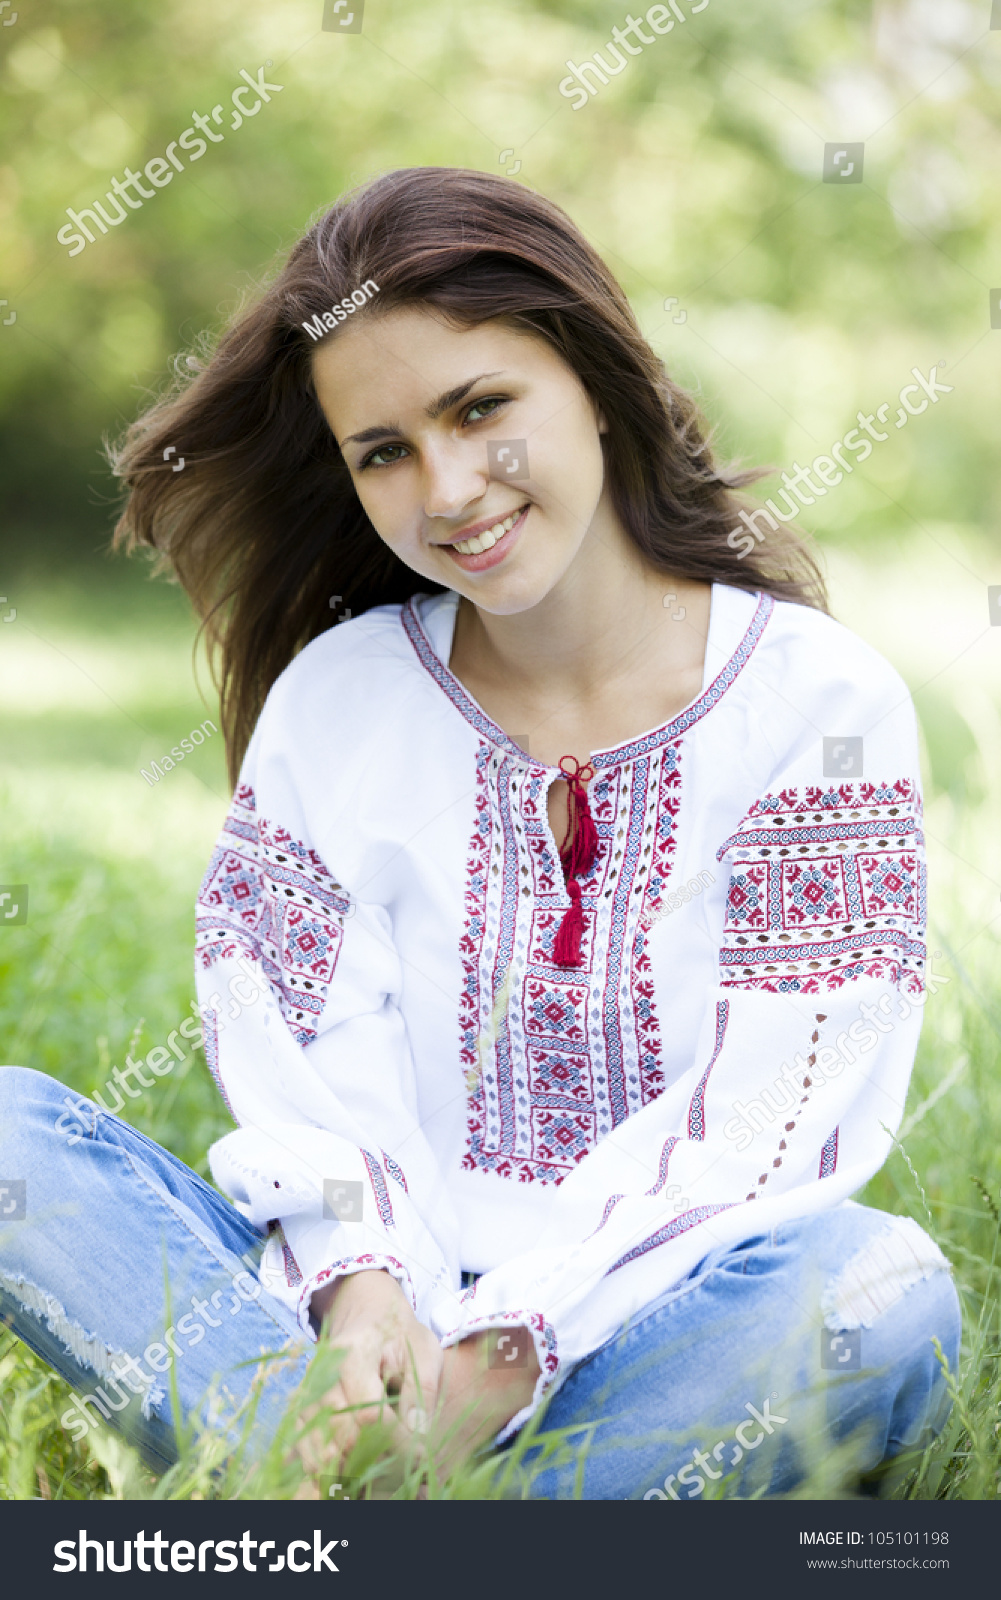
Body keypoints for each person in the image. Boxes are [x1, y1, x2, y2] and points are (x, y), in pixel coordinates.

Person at [0, 168, 960, 1500]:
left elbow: (771, 1121)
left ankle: (355, 1504)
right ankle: (399, 1480)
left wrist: (506, 1356)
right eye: (382, 450)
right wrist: (367, 1296)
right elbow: (306, 1050)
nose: (446, 486)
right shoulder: (339, 698)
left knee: (878, 1288)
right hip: (340, 1332)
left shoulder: (821, 706)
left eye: (481, 407)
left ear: (595, 380)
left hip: (659, 1327)